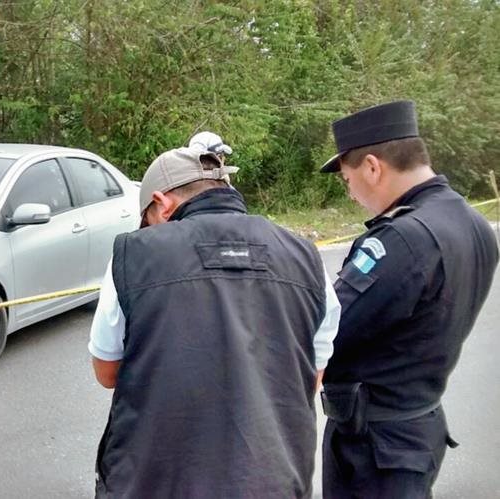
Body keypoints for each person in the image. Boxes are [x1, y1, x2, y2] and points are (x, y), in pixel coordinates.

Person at [88, 147, 341, 498]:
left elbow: (107, 372)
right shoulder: (307, 258)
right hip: (273, 481)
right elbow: (307, 379)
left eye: (147, 220)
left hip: (154, 479)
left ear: (161, 203)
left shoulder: (135, 253)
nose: (146, 230)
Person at [318, 100, 499, 498]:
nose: (350, 193)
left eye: (346, 180)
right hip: (417, 429)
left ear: (371, 166)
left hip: (374, 447)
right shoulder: (473, 224)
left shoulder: (400, 239)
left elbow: (326, 329)